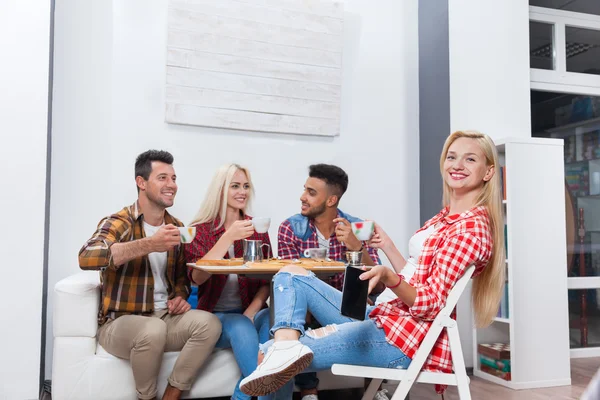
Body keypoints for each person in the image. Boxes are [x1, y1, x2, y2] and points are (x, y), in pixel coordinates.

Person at [239, 130, 506, 398]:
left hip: (399, 339)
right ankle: (286, 346)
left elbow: (432, 303)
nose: (457, 165)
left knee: (269, 353)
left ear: (488, 172)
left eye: (470, 159)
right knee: (290, 275)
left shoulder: (470, 229)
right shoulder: (446, 217)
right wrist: (388, 246)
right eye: (452, 156)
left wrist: (390, 278)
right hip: (383, 315)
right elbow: (417, 278)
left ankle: (283, 349)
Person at [79, 150, 222, 400]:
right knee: (152, 329)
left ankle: (172, 394)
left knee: (209, 324)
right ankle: (146, 397)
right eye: (163, 178)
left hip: (164, 318)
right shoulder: (120, 221)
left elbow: (180, 278)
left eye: (174, 178)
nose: (172, 185)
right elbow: (87, 256)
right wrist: (148, 244)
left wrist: (180, 295)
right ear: (141, 182)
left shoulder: (176, 226)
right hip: (119, 323)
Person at [277, 163, 381, 400]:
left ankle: (375, 388)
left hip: (346, 308)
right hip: (308, 309)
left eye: (311, 192)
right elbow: (289, 281)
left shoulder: (356, 228)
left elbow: (379, 282)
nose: (303, 197)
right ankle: (308, 391)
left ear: (332, 200)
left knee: (368, 309)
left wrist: (356, 246)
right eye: (305, 189)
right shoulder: (290, 228)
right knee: (296, 313)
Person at [185, 163, 272, 400]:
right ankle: (263, 390)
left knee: (275, 324)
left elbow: (267, 279)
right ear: (220, 190)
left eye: (245, 186)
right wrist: (227, 237)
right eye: (235, 186)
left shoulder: (258, 228)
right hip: (214, 317)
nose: (242, 191)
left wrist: (252, 312)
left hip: (250, 312)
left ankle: (242, 395)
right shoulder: (199, 230)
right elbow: (197, 277)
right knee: (240, 325)